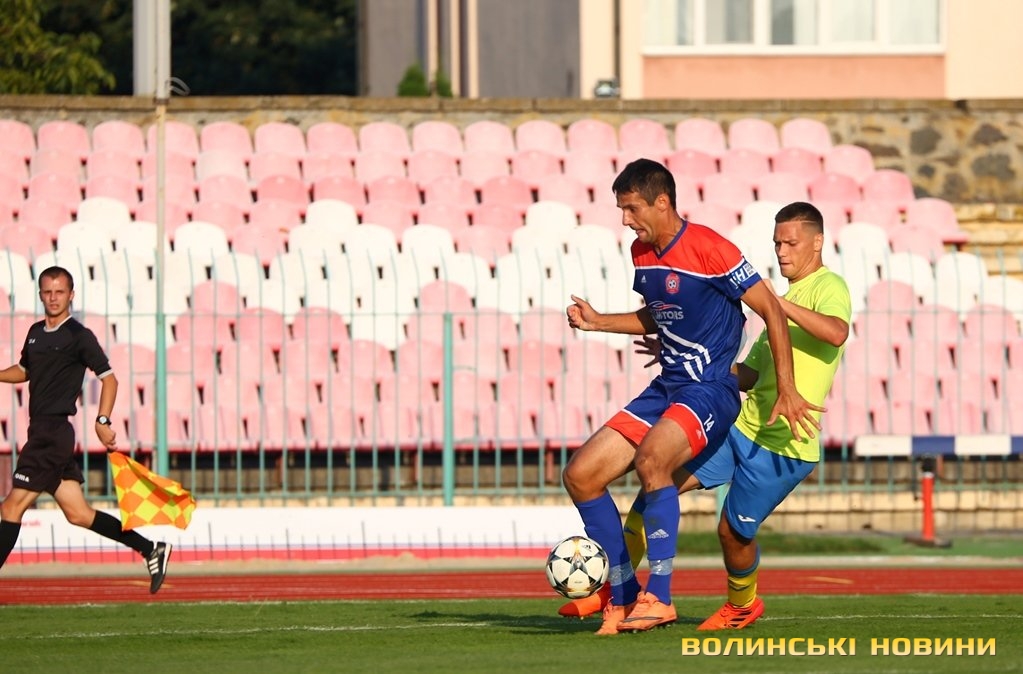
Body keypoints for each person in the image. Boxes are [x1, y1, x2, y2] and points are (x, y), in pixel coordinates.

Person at [562, 201, 851, 631]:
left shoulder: (829, 286)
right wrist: (684, 353)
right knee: (655, 481)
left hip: (785, 444)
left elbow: (836, 331)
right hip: (742, 429)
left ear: (817, 242)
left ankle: (742, 604)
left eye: (791, 243)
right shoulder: (784, 303)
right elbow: (749, 375)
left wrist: (774, 304)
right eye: (777, 243)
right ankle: (618, 591)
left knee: (732, 533)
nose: (781, 251)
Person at [0, 266, 171, 593]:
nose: (53, 298)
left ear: (71, 295)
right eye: (48, 292)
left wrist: (102, 420)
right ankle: (151, 549)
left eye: (60, 292)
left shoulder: (79, 336)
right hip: (42, 432)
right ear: (40, 295)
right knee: (79, 514)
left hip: (52, 435)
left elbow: (110, 379)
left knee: (11, 507)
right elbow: (24, 370)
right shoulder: (35, 332)